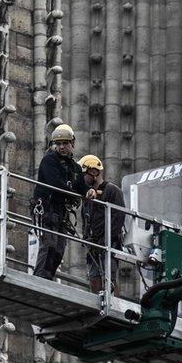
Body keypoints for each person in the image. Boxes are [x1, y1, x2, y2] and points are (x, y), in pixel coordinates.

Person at [32, 124, 96, 280]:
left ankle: (47, 278)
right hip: (46, 210)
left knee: (59, 249)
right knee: (49, 245)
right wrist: (75, 194)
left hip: (61, 214)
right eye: (58, 144)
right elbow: (56, 184)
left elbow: (81, 185)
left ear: (72, 143)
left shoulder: (74, 167)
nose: (61, 147)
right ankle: (40, 279)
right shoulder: (49, 160)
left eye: (65, 143)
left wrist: (88, 191)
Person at [78, 155, 126, 294]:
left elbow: (119, 216)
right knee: (93, 279)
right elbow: (85, 219)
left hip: (108, 243)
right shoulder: (88, 195)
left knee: (109, 279)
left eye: (84, 174)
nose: (82, 179)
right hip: (93, 244)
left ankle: (113, 305)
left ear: (93, 172)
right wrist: (86, 239)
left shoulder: (112, 190)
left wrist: (107, 238)